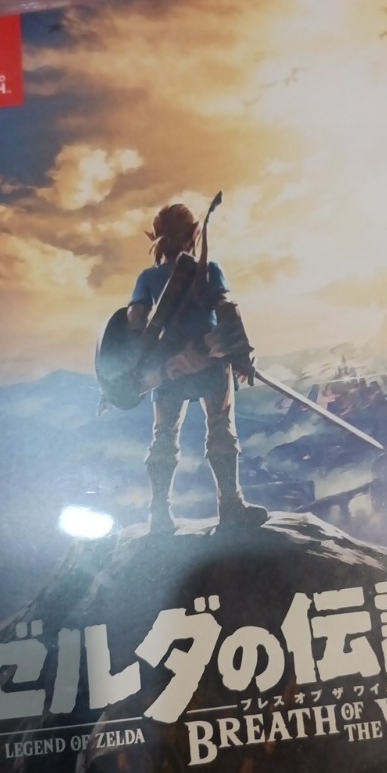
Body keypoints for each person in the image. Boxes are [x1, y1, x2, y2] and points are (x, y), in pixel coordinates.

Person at [126, 202, 268, 535]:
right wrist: (242, 353)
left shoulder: (148, 277)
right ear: (194, 234)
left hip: (169, 367)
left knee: (163, 436)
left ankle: (159, 515)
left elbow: (133, 322)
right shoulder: (209, 269)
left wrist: (137, 368)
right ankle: (231, 507)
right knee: (220, 429)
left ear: (156, 237)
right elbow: (227, 308)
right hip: (210, 360)